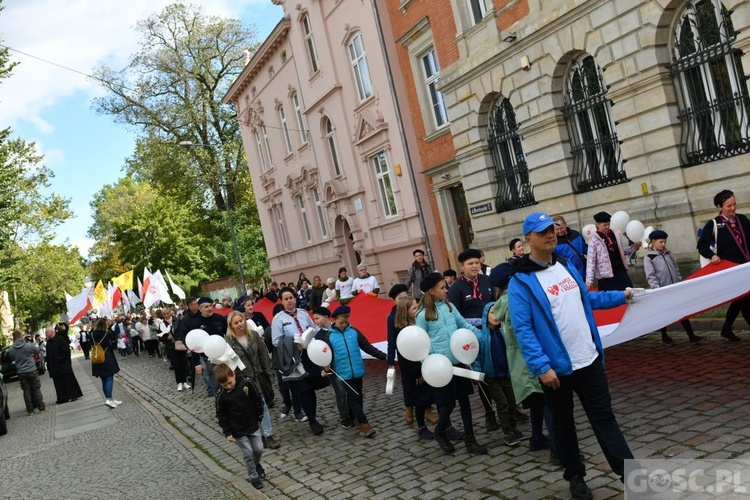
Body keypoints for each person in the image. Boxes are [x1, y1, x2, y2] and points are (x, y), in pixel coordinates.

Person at [508, 212, 634, 499]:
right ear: (528, 239)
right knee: (564, 425)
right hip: (557, 370)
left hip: (589, 358)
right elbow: (523, 329)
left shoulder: (565, 265)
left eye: (551, 229)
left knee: (605, 418)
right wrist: (541, 366)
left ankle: (631, 474)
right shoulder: (521, 281)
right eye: (542, 232)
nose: (550, 235)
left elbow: (586, 299)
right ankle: (575, 476)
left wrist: (619, 296)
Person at [415, 272, 488, 455]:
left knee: (465, 402)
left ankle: (470, 440)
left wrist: (483, 335)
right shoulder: (423, 315)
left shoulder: (450, 307)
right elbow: (421, 344)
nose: (446, 289)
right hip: (440, 367)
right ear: (431, 291)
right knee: (448, 404)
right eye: (442, 287)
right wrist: (429, 364)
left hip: (459, 362)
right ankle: (440, 431)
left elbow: (464, 325)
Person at [492, 262, 556, 460]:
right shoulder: (514, 298)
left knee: (537, 401)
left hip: (519, 362)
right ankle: (558, 449)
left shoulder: (502, 301)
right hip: (529, 359)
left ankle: (536, 438)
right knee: (548, 402)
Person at [448, 248, 504, 431]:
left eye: (476, 263)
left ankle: (510, 408)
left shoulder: (487, 280)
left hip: (494, 332)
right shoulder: (456, 288)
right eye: (470, 263)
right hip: (474, 337)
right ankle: (490, 414)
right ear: (461, 266)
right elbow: (455, 316)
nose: (474, 266)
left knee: (503, 369)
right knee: (483, 376)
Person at [317, 305, 386, 438]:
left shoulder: (353, 331)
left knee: (358, 396)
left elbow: (367, 347)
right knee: (354, 397)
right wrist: (324, 367)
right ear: (334, 320)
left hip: (357, 371)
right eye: (341, 322)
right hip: (343, 374)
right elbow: (324, 355)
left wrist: (383, 356)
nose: (344, 324)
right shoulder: (329, 336)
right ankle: (364, 424)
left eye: (346, 321)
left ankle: (354, 416)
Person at [697, 189, 750, 341]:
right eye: (728, 206)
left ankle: (726, 328)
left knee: (739, 300)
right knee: (746, 300)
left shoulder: (742, 219)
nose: (733, 208)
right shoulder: (714, 224)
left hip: (746, 267)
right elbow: (702, 245)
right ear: (719, 207)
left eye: (734, 204)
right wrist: (712, 255)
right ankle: (727, 329)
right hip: (732, 270)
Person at [271, 287, 323, 435]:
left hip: (310, 354)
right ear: (281, 301)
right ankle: (313, 421)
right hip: (295, 357)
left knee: (312, 387)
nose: (289, 301)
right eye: (286, 299)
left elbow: (313, 329)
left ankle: (312, 414)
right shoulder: (278, 319)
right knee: (304, 389)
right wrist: (293, 344)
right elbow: (276, 341)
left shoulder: (303, 313)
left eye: (291, 298)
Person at [226, 310, 280, 449]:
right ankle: (260, 435)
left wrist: (268, 374)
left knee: (262, 405)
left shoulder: (254, 335)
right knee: (250, 409)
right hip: (242, 380)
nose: (239, 324)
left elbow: (263, 356)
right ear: (231, 325)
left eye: (241, 321)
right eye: (236, 322)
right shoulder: (228, 341)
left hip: (257, 377)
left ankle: (269, 435)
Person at [473, 301, 523, 446]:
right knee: (502, 404)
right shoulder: (481, 337)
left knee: (512, 403)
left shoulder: (504, 333)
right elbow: (477, 356)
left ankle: (514, 429)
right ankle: (507, 432)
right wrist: (476, 371)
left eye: (498, 312)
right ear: (485, 315)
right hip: (492, 377)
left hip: (506, 375)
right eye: (492, 312)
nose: (496, 316)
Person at [645, 229, 705, 345]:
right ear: (653, 242)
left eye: (665, 242)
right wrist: (657, 289)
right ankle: (664, 336)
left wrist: (678, 280)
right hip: (662, 290)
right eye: (661, 242)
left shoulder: (667, 254)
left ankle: (691, 335)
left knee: (682, 312)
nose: (663, 244)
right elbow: (650, 275)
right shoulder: (649, 257)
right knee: (663, 314)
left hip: (674, 287)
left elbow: (675, 267)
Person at [390, 295, 435, 439]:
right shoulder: (404, 331)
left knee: (425, 398)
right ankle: (421, 427)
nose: (417, 310)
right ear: (405, 311)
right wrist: (417, 374)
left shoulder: (418, 324)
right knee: (419, 401)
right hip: (414, 372)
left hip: (424, 367)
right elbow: (406, 356)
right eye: (414, 308)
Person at [214, 363, 266, 490]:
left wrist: (259, 417)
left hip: (253, 424)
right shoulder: (221, 395)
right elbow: (221, 415)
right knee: (248, 452)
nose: (228, 386)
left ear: (234, 375)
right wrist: (227, 432)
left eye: (229, 383)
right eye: (224, 385)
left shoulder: (246, 384)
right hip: (237, 429)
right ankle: (253, 476)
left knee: (259, 449)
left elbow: (258, 399)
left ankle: (256, 464)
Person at [586, 211, 641, 291]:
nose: (607, 227)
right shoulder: (593, 240)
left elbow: (621, 251)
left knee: (629, 294)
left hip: (620, 271)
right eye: (604, 225)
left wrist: (633, 247)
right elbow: (591, 261)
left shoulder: (614, 234)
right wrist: (589, 282)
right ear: (597, 224)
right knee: (613, 300)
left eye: (608, 224)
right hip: (606, 277)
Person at [196, 297, 228, 396]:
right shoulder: (196, 323)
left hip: (223, 353)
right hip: (208, 358)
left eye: (210, 306)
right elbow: (194, 343)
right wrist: (197, 363)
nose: (210, 308)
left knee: (227, 377)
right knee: (216, 381)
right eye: (206, 307)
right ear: (200, 309)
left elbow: (226, 333)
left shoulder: (219, 318)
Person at [8, 329, 45, 415]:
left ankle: (30, 410)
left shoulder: (11, 349)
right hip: (32, 370)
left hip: (21, 372)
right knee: (36, 389)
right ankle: (41, 407)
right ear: (21, 336)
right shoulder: (28, 346)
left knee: (26, 391)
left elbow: (12, 357)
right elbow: (37, 351)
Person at [46, 324, 83, 404]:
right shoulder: (49, 342)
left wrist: (59, 359)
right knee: (58, 383)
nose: (46, 334)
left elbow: (65, 352)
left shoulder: (60, 339)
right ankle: (62, 398)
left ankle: (73, 395)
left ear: (52, 332)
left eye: (47, 332)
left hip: (63, 365)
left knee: (68, 381)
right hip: (54, 367)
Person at [91, 317, 122, 408]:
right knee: (109, 378)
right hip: (107, 358)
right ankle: (108, 399)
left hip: (97, 359)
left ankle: (110, 399)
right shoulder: (107, 334)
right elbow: (112, 342)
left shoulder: (92, 334)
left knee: (103, 380)